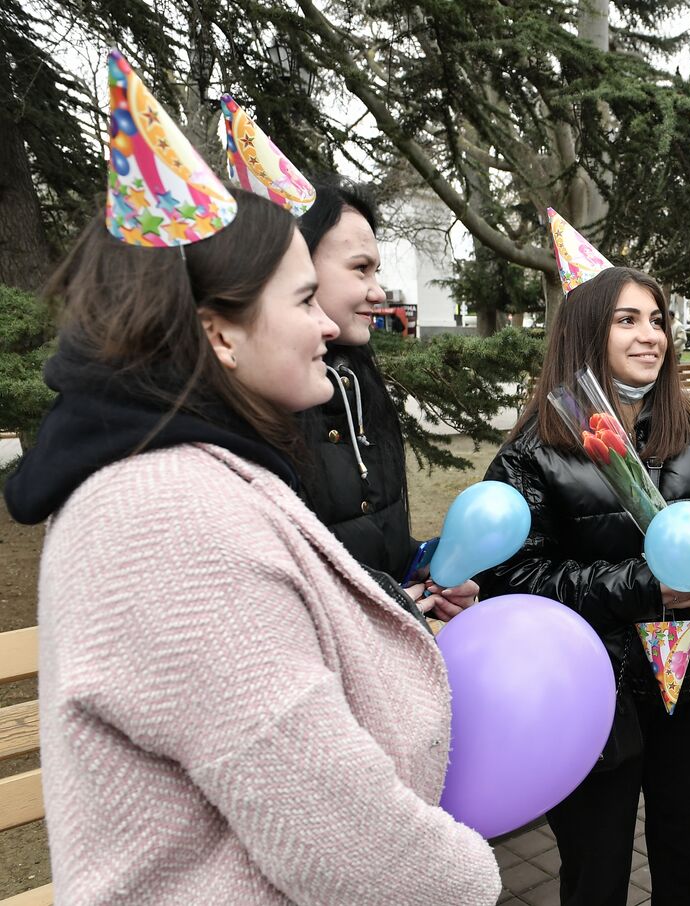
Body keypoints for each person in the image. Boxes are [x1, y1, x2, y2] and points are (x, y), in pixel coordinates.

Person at [2, 51, 500, 904]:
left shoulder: (191, 478)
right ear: (220, 334)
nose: (328, 327)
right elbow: (341, 838)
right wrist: (474, 882)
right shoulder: (166, 519)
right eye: (304, 301)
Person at [478, 212, 690, 906]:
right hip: (591, 698)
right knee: (594, 878)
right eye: (627, 321)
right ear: (585, 334)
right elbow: (512, 580)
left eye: (659, 320)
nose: (651, 336)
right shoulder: (533, 453)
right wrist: (644, 583)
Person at [294, 180, 476, 622]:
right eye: (361, 269)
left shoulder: (358, 386)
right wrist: (388, 599)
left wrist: (424, 569)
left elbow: (369, 535)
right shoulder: (256, 420)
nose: (378, 292)